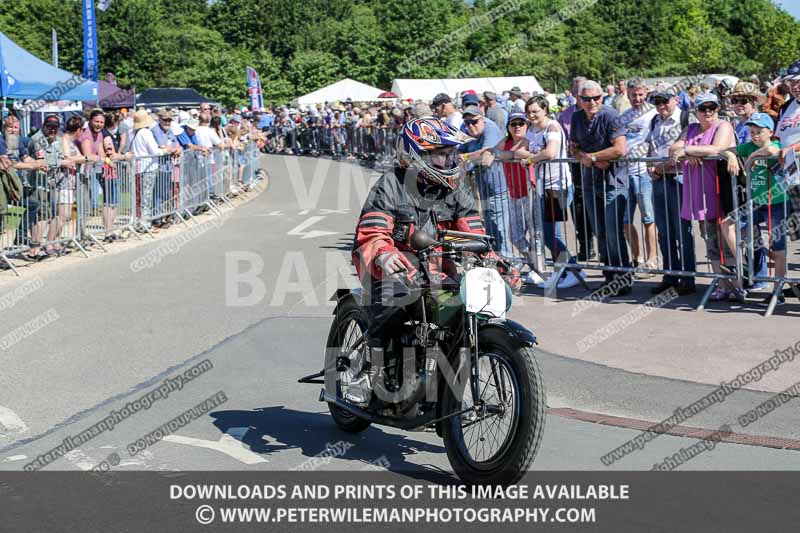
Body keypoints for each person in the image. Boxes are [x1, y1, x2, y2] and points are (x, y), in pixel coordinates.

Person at [348, 117, 519, 404]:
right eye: (438, 154)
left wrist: (495, 262)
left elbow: (474, 235)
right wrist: (384, 253)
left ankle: (441, 378)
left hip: (441, 269)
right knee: (397, 297)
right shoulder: (390, 185)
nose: (446, 160)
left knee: (468, 305)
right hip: (394, 267)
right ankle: (369, 371)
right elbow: (372, 233)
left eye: (449, 153)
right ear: (414, 154)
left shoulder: (456, 190)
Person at [669, 92, 742, 302]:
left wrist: (689, 150)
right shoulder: (690, 129)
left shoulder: (723, 126)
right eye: (703, 108)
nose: (708, 112)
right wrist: (687, 151)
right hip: (698, 194)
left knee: (727, 240)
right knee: (710, 240)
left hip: (722, 191)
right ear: (696, 111)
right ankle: (721, 285)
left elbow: (717, 147)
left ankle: (738, 284)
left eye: (712, 107)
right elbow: (673, 149)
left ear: (718, 109)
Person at [570, 80, 630, 295]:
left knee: (614, 232)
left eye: (595, 98)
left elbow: (620, 149)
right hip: (589, 181)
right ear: (579, 99)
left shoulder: (611, 115)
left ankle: (623, 277)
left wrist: (594, 156)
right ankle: (609, 276)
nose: (591, 102)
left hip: (614, 181)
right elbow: (574, 148)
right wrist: (588, 158)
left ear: (602, 98)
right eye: (586, 98)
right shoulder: (577, 117)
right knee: (600, 231)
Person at [722, 113, 785, 305]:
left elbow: (773, 151)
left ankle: (778, 291)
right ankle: (743, 263)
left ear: (770, 132)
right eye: (752, 132)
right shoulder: (747, 146)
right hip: (755, 203)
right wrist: (732, 156)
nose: (755, 136)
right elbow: (726, 150)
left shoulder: (776, 145)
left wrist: (751, 159)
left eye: (759, 132)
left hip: (777, 201)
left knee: (778, 248)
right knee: (727, 224)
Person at [524, 95, 581, 289]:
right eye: (529, 112)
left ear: (545, 110)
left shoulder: (553, 127)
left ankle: (574, 270)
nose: (531, 115)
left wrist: (531, 158)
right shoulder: (532, 129)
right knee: (548, 233)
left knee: (552, 234)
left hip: (557, 186)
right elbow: (520, 150)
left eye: (535, 111)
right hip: (543, 186)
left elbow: (551, 152)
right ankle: (564, 270)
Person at [646, 86, 697, 295]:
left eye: (664, 101)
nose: (661, 105)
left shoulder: (686, 118)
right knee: (664, 232)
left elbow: (685, 150)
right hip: (659, 180)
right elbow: (650, 149)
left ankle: (687, 277)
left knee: (682, 231)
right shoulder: (654, 120)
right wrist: (651, 167)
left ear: (675, 99)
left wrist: (662, 166)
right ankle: (670, 275)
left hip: (680, 178)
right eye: (657, 102)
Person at [458, 105, 510, 259]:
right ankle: (501, 264)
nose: (470, 126)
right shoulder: (467, 129)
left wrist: (467, 157)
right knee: (491, 231)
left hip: (499, 188)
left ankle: (508, 266)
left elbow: (487, 154)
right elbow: (459, 150)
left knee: (500, 232)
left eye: (474, 122)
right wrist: (467, 155)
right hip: (484, 189)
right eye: (467, 123)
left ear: (482, 119)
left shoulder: (490, 129)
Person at [494, 112, 540, 283]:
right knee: (515, 235)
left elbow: (534, 153)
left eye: (521, 123)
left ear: (527, 125)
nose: (517, 127)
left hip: (530, 193)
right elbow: (494, 151)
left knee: (536, 234)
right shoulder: (506, 142)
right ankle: (534, 263)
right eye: (513, 124)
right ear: (508, 127)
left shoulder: (530, 140)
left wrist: (513, 154)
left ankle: (538, 269)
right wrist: (511, 154)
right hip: (514, 194)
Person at [619, 78, 658, 277]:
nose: (637, 98)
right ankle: (637, 257)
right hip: (625, 172)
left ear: (646, 93)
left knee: (648, 218)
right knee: (626, 219)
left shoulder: (653, 113)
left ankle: (652, 259)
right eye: (633, 94)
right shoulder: (624, 116)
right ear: (627, 93)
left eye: (641, 94)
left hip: (644, 172)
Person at [130, 110, 167, 232]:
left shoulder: (135, 133)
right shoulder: (146, 132)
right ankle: (144, 224)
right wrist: (164, 151)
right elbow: (154, 151)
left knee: (142, 196)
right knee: (146, 197)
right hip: (147, 168)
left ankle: (141, 222)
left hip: (139, 168)